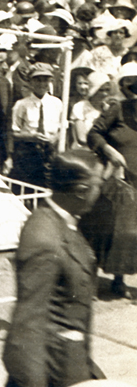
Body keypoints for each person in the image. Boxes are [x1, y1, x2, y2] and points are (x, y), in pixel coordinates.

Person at [3, 150, 106, 387]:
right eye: (98, 184)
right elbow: (27, 324)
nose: (100, 192)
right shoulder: (45, 236)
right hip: (51, 372)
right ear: (81, 191)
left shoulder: (63, 222)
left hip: (69, 363)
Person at [85, 61, 137, 298]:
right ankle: (90, 280)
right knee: (107, 229)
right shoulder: (116, 108)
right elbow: (93, 133)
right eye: (130, 83)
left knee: (130, 233)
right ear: (124, 85)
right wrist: (110, 151)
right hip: (115, 179)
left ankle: (119, 279)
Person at [10, 63, 63, 188]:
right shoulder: (22, 105)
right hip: (29, 153)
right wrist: (31, 136)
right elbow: (14, 132)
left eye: (45, 80)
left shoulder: (57, 103)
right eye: (37, 80)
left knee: (49, 187)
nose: (41, 84)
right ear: (30, 82)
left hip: (50, 152)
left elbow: (63, 128)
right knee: (29, 187)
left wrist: (55, 138)